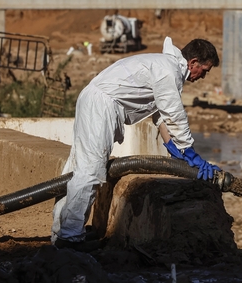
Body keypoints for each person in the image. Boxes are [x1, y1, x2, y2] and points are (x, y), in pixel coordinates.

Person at [51, 37, 221, 251]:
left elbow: (161, 117)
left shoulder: (164, 68)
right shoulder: (169, 71)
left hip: (95, 100)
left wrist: (175, 149)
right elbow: (175, 115)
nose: (203, 76)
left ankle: (62, 234)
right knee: (89, 171)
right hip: (101, 105)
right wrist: (189, 151)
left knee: (79, 168)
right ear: (193, 62)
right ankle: (69, 238)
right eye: (204, 70)